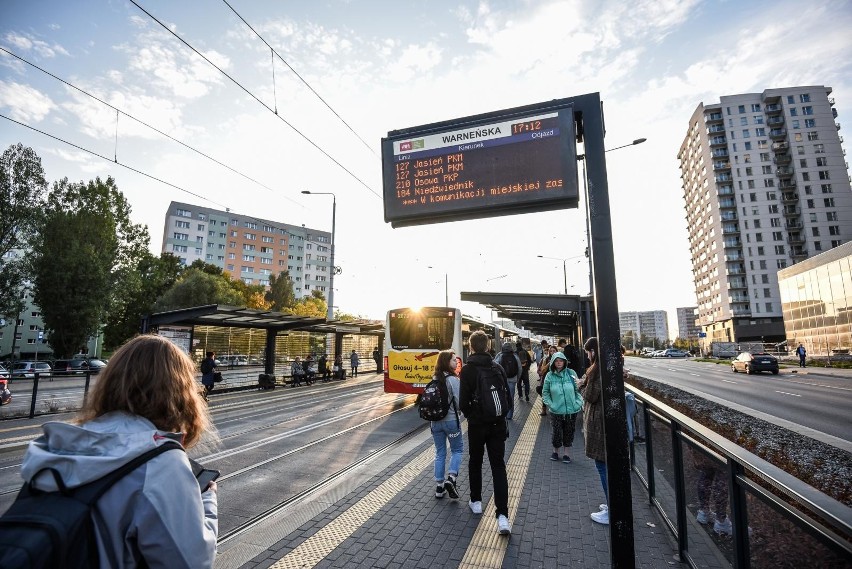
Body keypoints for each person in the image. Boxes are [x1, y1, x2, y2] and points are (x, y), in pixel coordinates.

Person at [19, 334, 218, 568]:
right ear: (180, 392)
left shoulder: (60, 443)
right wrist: (207, 499)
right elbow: (193, 562)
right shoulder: (160, 461)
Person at [459, 330, 513, 535]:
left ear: (471, 347)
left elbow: (463, 402)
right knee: (498, 466)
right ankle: (502, 516)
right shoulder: (497, 367)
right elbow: (507, 398)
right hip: (497, 425)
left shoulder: (467, 370)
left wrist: (474, 416)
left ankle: (476, 501)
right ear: (488, 346)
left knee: (475, 461)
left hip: (477, 426)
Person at [578, 336, 608, 524]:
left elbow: (591, 395)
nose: (587, 356)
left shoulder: (596, 370)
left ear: (593, 352)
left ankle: (612, 507)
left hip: (599, 422)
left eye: (588, 352)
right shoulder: (604, 366)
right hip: (602, 420)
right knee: (604, 464)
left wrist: (580, 386)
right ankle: (610, 502)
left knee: (602, 465)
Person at [430, 350, 464, 501]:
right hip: (451, 422)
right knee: (457, 449)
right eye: (453, 360)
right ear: (446, 362)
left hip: (435, 423)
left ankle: (439, 487)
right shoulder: (453, 380)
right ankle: (451, 477)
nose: (456, 362)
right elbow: (459, 402)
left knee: (440, 452)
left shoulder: (434, 378)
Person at [541, 351, 582, 463]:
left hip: (571, 410)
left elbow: (578, 389)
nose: (559, 363)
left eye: (561, 361)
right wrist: (551, 405)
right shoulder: (549, 376)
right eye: (557, 361)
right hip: (556, 410)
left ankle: (566, 454)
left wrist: (578, 403)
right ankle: (555, 452)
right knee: (556, 432)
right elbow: (545, 393)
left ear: (564, 362)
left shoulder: (571, 372)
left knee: (569, 431)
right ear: (553, 362)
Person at [691, 448, 732, 535]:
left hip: (701, 446)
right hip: (717, 448)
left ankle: (704, 512)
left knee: (706, 472)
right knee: (722, 476)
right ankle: (721, 522)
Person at [494, 342, 522, 420]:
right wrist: (517, 379)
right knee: (511, 397)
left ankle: (502, 413)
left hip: (501, 381)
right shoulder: (515, 356)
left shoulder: (499, 356)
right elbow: (520, 369)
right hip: (512, 380)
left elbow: (494, 367)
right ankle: (509, 415)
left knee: (501, 397)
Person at [537, 345, 558, 416]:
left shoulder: (559, 359)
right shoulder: (546, 359)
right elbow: (542, 370)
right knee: (544, 393)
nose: (552, 352)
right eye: (551, 351)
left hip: (556, 380)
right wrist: (549, 363)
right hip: (546, 379)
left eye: (554, 351)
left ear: (556, 351)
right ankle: (543, 410)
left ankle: (555, 409)